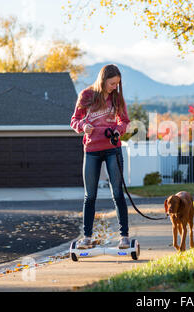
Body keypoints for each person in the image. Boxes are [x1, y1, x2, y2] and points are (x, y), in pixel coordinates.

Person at [70, 64, 131, 249]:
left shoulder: (117, 98)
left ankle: (124, 237)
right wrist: (83, 126)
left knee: (118, 194)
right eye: (112, 83)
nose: (114, 87)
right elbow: (74, 120)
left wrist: (118, 130)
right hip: (92, 150)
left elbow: (125, 121)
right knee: (90, 196)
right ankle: (87, 238)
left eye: (117, 84)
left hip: (113, 148)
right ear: (103, 80)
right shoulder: (87, 96)